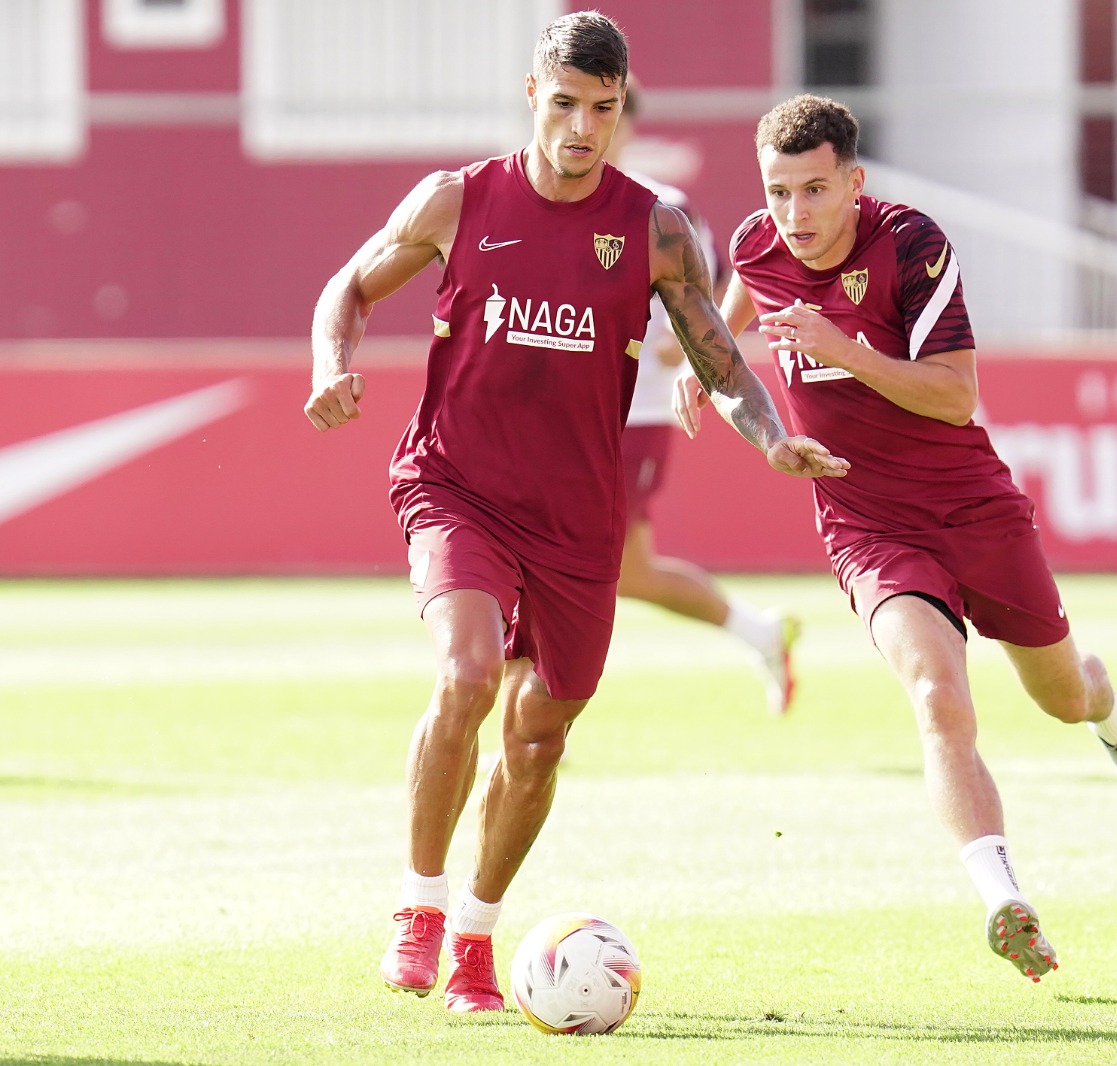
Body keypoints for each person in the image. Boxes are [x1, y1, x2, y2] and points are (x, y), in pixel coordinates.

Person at [304, 12, 845, 1014]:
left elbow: (719, 362)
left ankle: (475, 933)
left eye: (602, 109)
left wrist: (769, 434)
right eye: (565, 106)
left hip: (577, 522)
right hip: (454, 486)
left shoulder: (652, 228)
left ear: (618, 107)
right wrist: (331, 363)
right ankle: (418, 912)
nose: (583, 129)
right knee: (466, 672)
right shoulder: (456, 200)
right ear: (532, 98)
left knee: (541, 736)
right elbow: (349, 284)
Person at [675, 94, 1117, 983]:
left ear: (855, 184)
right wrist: (704, 366)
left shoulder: (910, 242)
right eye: (780, 192)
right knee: (938, 695)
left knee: (1060, 695)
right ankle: (1003, 898)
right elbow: (729, 310)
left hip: (973, 509)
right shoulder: (757, 242)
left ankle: (1114, 716)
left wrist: (848, 350)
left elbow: (953, 395)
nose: (796, 215)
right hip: (868, 525)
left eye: (816, 191)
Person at [608, 87, 800, 717]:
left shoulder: (665, 206)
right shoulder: (541, 199)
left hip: (633, 411)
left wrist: (679, 343)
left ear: (626, 124)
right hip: (560, 413)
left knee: (570, 558)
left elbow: (712, 286)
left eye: (603, 110)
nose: (585, 127)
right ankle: (760, 632)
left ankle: (521, 711)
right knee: (626, 570)